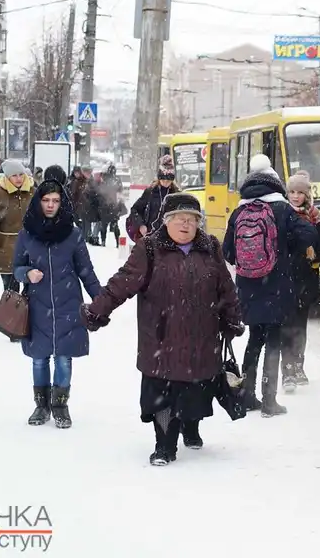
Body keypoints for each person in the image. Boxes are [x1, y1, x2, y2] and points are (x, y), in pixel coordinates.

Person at [81, 193, 244, 466]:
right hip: (161, 338)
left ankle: (191, 428)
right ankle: (165, 446)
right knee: (164, 397)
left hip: (201, 338)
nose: (186, 225)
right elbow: (122, 283)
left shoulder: (210, 247)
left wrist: (232, 318)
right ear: (167, 221)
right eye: (179, 219)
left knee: (196, 389)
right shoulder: (149, 248)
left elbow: (225, 287)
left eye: (192, 220)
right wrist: (97, 311)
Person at [222, 154, 317, 417]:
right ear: (275, 184)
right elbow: (310, 234)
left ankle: (247, 396)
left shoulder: (240, 210)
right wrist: (285, 250)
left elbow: (227, 252)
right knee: (273, 342)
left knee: (254, 340)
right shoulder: (282, 208)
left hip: (249, 286)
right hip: (276, 285)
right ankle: (269, 401)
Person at [12, 178, 102, 429]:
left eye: (55, 200)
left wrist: (101, 299)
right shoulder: (27, 233)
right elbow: (16, 268)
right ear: (38, 202)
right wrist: (27, 273)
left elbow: (86, 271)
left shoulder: (72, 234)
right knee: (39, 359)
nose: (50, 205)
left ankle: (60, 405)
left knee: (64, 358)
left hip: (68, 306)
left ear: (62, 203)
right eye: (46, 200)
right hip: (37, 307)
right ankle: (41, 406)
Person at [281, 171, 320, 392]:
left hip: (307, 278)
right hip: (285, 279)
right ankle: (287, 372)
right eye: (291, 192)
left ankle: (298, 366)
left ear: (307, 195)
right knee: (287, 325)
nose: (295, 197)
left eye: (299, 193)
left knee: (300, 326)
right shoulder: (282, 213)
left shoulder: (315, 216)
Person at [0, 159, 34, 292]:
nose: (19, 178)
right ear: (7, 176)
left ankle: (28, 313)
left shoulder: (32, 192)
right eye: (14, 175)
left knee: (32, 289)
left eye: (21, 174)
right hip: (6, 250)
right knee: (11, 290)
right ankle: (11, 313)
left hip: (31, 248)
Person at [127, 155, 179, 241]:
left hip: (169, 237)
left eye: (168, 179)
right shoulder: (150, 191)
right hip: (150, 235)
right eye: (163, 179)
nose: (165, 182)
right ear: (159, 177)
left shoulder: (176, 194)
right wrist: (141, 225)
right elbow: (135, 209)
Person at [97, 165, 123, 247]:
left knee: (104, 225)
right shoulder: (117, 180)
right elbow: (120, 193)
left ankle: (104, 241)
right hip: (113, 205)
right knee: (115, 225)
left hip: (105, 205)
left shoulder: (104, 179)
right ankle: (117, 243)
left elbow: (99, 192)